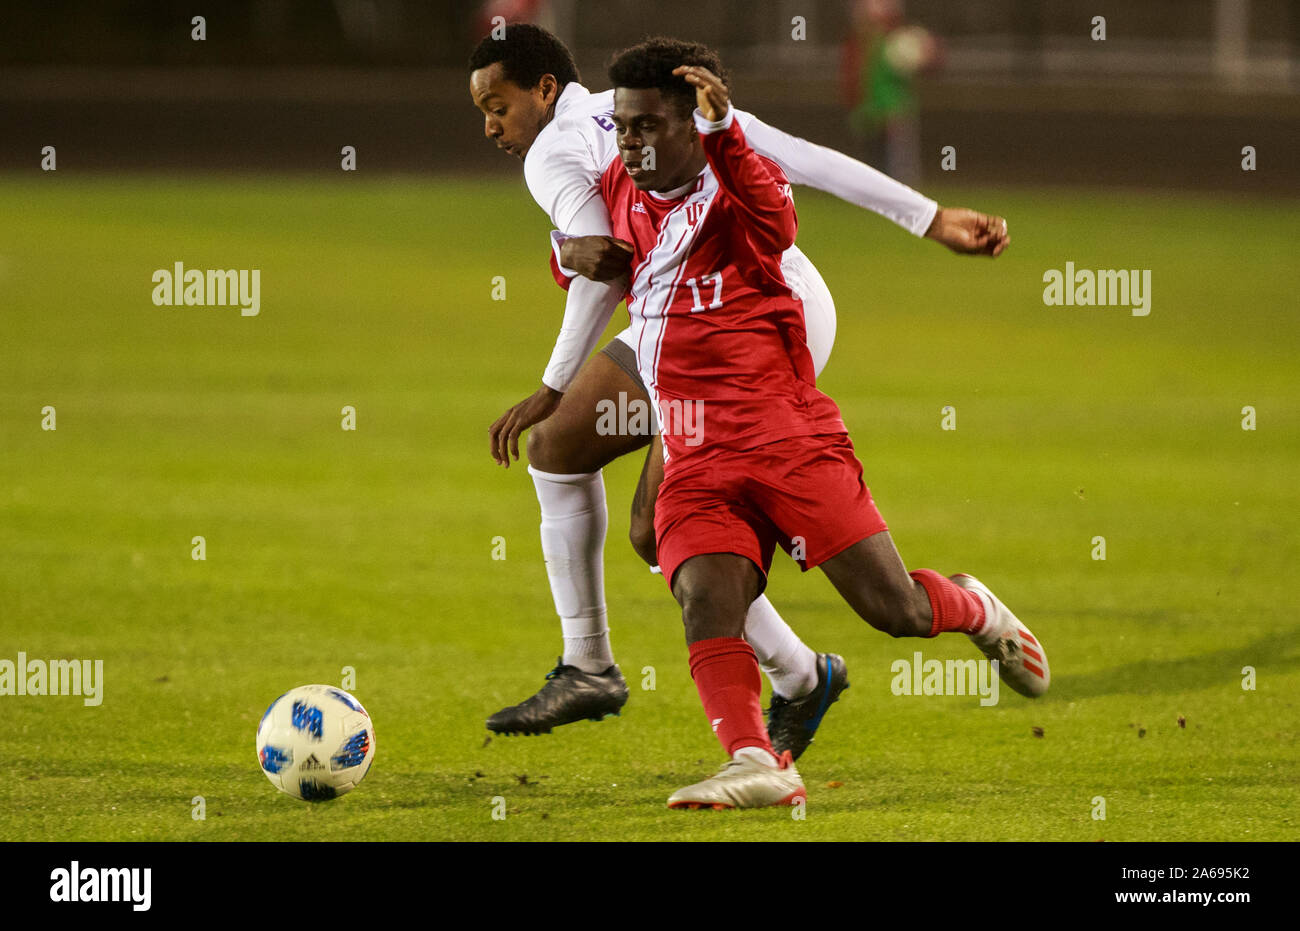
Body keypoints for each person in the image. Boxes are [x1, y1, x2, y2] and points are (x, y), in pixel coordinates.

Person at [467, 24, 1011, 757]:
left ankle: (621, 668)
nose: (491, 125)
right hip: (727, 307)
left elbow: (606, 264)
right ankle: (769, 674)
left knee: (663, 513)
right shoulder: (648, 108)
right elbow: (810, 160)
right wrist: (931, 217)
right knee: (568, 455)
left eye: (496, 105)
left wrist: (553, 365)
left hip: (741, 319)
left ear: (543, 90)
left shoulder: (559, 153)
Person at [593, 38, 1047, 809]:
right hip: (695, 448)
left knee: (894, 611)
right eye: (624, 127)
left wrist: (729, 133)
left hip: (784, 438)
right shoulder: (621, 188)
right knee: (705, 592)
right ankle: (755, 758)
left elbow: (780, 204)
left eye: (647, 127)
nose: (631, 144)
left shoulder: (739, 187)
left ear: (691, 125)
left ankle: (972, 605)